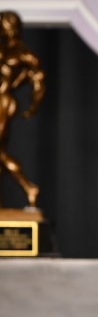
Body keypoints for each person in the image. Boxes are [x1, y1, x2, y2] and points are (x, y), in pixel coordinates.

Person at [0, 11, 45, 208]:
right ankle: (27, 188)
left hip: (3, 101)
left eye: (4, 24)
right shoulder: (4, 50)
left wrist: (33, 106)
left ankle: (28, 187)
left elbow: (38, 80)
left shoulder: (22, 53)